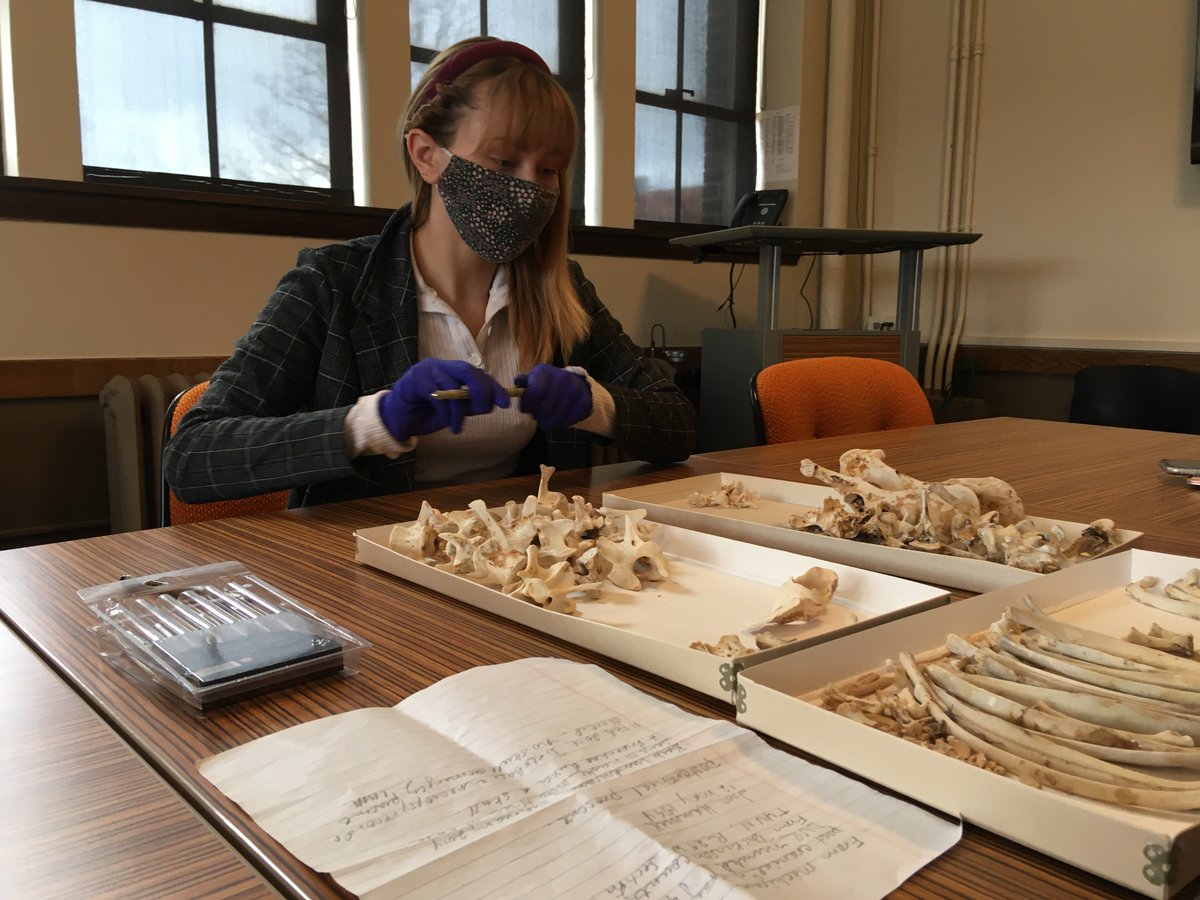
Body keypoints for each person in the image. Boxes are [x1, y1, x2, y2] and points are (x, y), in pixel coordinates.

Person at [164, 37, 697, 508]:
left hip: (520, 562)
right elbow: (191, 457)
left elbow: (677, 424)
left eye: (549, 169)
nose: (530, 188)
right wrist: (372, 423)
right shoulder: (331, 284)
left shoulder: (562, 291)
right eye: (504, 162)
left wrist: (596, 404)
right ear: (426, 155)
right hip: (364, 565)